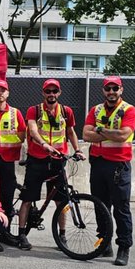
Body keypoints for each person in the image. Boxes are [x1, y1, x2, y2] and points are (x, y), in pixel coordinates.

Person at [17, 79, 84, 250]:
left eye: (54, 91)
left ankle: (62, 235)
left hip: (58, 160)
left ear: (59, 93)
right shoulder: (34, 110)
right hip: (37, 159)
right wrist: (44, 145)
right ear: (43, 93)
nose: (51, 94)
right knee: (27, 198)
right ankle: (22, 234)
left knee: (61, 200)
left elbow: (70, 132)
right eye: (48, 91)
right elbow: (32, 130)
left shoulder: (66, 111)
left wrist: (78, 150)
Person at [82, 76, 135, 266]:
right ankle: (104, 244)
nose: (111, 92)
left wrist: (99, 130)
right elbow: (85, 134)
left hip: (118, 166)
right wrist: (107, 132)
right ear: (103, 90)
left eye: (115, 88)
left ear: (121, 90)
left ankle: (123, 248)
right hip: (98, 164)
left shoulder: (129, 110)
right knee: (101, 206)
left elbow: (123, 136)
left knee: (121, 208)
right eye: (108, 88)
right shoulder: (95, 109)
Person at [0, 79, 26, 245]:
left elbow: (22, 134)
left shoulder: (15, 113)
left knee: (7, 197)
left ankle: (5, 233)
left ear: (7, 93)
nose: (0, 93)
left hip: (7, 160)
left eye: (3, 90)